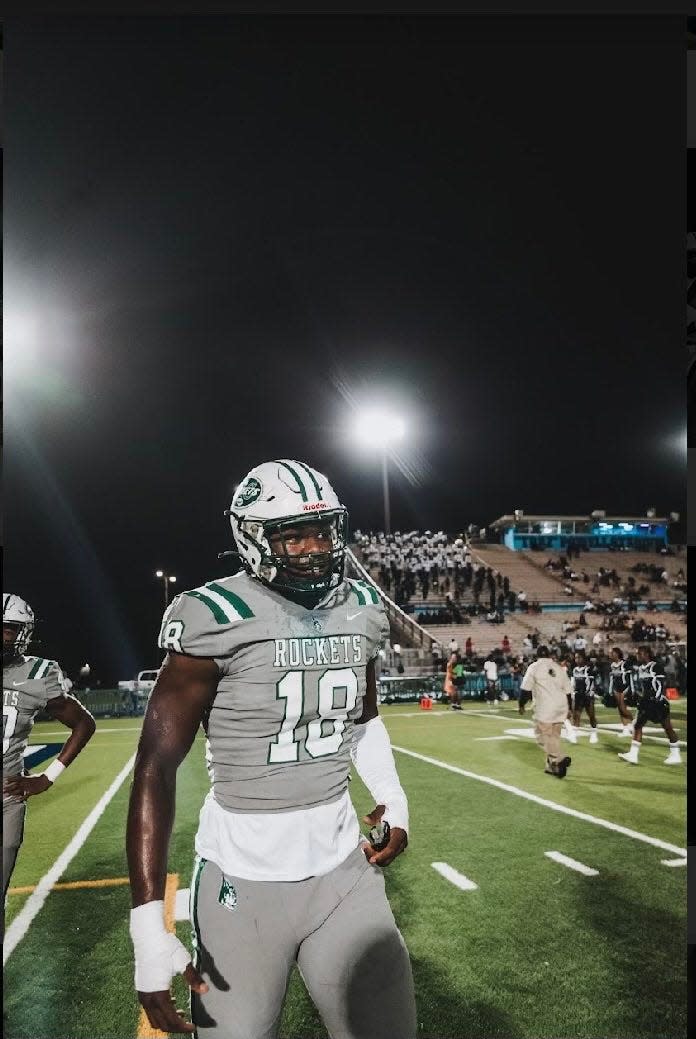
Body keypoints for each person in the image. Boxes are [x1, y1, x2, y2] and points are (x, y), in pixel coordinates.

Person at [126, 460, 417, 1039]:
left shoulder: (361, 605)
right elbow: (156, 767)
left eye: (322, 531)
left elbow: (363, 718)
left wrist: (392, 798)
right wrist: (146, 929)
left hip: (344, 871)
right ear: (253, 538)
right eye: (291, 535)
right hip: (244, 876)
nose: (312, 548)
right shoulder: (213, 616)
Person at [3, 594, 96, 919]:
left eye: (8, 629)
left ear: (23, 633)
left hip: (5, 801)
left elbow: (83, 724)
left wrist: (47, 777)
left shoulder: (38, 674)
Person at [618, 646, 681, 766]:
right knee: (637, 725)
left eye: (639, 654)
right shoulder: (641, 668)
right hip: (645, 701)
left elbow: (661, 685)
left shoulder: (656, 666)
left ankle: (675, 754)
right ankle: (633, 754)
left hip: (658, 702)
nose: (637, 656)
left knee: (667, 727)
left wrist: (656, 699)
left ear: (646, 654)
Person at [520, 647, 572, 778]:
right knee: (554, 737)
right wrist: (570, 708)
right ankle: (552, 767)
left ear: (537, 655)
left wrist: (521, 705)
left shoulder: (534, 667)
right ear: (549, 655)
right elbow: (568, 690)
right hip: (561, 705)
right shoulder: (558, 667)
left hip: (546, 707)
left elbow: (525, 689)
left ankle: (559, 758)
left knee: (542, 737)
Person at [570, 650, 600, 744]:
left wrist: (590, 693)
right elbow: (573, 682)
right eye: (576, 658)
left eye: (579, 657)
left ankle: (594, 733)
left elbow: (591, 683)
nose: (577, 660)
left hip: (587, 695)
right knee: (576, 715)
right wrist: (572, 692)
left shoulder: (589, 669)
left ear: (583, 658)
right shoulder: (574, 669)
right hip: (578, 694)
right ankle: (574, 735)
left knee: (591, 715)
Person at [608, 647, 634, 737]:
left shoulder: (625, 664)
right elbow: (612, 678)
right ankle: (625, 728)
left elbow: (630, 677)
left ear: (616, 653)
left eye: (611, 653)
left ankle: (635, 723)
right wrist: (610, 690)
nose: (610, 655)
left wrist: (632, 689)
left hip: (624, 687)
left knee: (623, 708)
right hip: (616, 688)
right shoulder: (612, 665)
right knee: (620, 708)